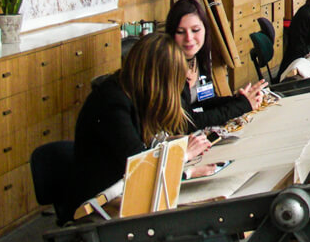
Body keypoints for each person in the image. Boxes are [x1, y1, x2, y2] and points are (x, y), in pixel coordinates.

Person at [72, 33, 216, 212]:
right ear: (157, 80)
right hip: (100, 205)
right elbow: (140, 167)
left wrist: (176, 144)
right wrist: (184, 160)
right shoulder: (111, 102)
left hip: (122, 192)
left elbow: (145, 146)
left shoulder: (128, 91)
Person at [166, 0, 265, 131]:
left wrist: (239, 100)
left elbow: (206, 101)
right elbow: (186, 122)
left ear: (205, 30)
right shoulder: (167, 66)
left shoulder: (199, 58)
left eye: (195, 30)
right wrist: (240, 106)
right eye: (180, 32)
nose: (189, 38)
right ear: (171, 34)